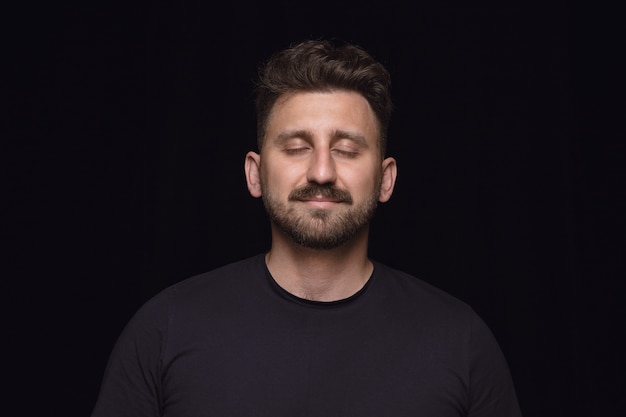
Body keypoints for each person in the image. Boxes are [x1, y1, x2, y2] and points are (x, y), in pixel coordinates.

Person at [91, 39, 522, 417]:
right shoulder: (165, 330)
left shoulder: (460, 342)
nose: (321, 171)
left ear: (386, 178)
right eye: (297, 148)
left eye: (347, 150)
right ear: (255, 174)